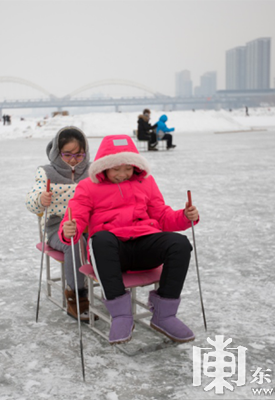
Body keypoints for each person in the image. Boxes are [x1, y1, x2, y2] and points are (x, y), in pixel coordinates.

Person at [60, 134, 199, 344]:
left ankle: (165, 314)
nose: (123, 174)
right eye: (116, 168)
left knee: (179, 243)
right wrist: (69, 229)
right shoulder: (88, 187)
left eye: (128, 168)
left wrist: (184, 216)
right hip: (113, 252)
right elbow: (75, 217)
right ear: (103, 167)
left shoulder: (146, 182)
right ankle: (121, 315)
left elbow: (162, 216)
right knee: (100, 239)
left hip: (145, 246)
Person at [26, 126, 92, 321]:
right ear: (57, 153)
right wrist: (40, 199)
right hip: (58, 228)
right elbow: (30, 200)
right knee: (75, 242)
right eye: (67, 154)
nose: (73, 159)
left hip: (88, 224)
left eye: (79, 155)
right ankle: (76, 296)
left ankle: (112, 292)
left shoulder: (92, 171)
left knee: (107, 240)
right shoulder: (46, 173)